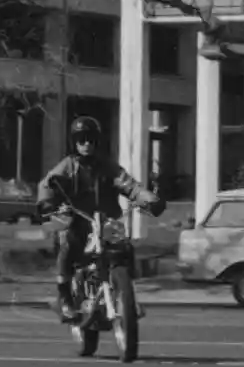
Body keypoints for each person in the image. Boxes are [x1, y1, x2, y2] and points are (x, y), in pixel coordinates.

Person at [36, 117, 164, 322]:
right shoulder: (67, 166)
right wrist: (47, 203)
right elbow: (48, 184)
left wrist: (150, 200)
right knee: (66, 244)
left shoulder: (108, 167)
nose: (86, 144)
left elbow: (130, 186)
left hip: (107, 222)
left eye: (91, 139)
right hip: (78, 221)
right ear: (74, 142)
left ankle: (128, 296)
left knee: (125, 248)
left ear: (98, 141)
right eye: (81, 139)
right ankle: (65, 298)